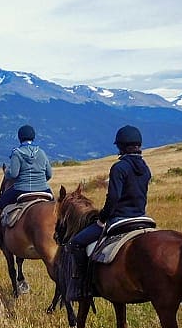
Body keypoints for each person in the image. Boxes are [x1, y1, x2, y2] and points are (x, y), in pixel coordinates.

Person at [63, 124, 151, 298]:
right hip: (142, 217)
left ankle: (82, 287)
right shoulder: (145, 168)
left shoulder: (119, 168)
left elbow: (113, 199)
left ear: (121, 146)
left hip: (120, 219)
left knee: (76, 243)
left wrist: (102, 217)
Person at [0, 124, 52, 249]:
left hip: (21, 189)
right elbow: (49, 174)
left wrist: (6, 172)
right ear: (33, 137)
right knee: (58, 208)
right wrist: (40, 181)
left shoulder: (17, 153)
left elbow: (13, 174)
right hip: (43, 189)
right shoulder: (42, 152)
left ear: (20, 138)